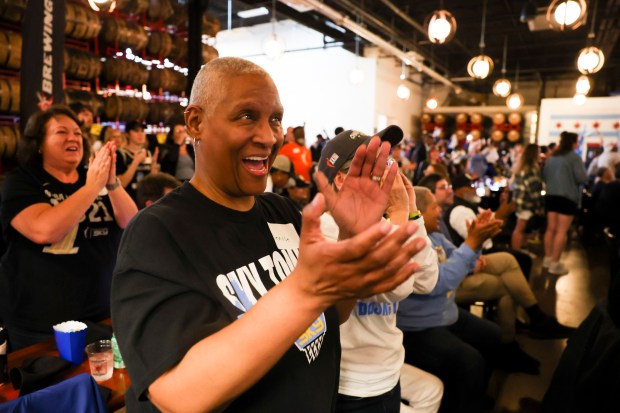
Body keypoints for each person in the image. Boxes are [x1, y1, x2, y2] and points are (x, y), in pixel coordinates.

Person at [111, 57, 427, 412]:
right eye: (247, 116)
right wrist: (303, 290)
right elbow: (179, 395)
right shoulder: (157, 232)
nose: (268, 136)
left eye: (275, 119)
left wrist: (350, 234)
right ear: (196, 122)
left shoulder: (281, 211)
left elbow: (333, 315)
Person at [317, 127, 443, 413]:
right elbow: (396, 287)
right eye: (374, 166)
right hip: (350, 382)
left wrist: (411, 214)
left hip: (387, 369)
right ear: (340, 178)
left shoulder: (386, 224)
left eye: (387, 162)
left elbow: (426, 280)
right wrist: (400, 217)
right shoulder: (323, 231)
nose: (388, 173)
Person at [0, 105, 137, 351]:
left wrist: (112, 183)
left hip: (101, 312)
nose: (73, 137)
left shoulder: (92, 177)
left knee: (104, 385)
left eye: (76, 132)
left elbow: (131, 223)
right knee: (50, 388)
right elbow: (44, 230)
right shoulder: (21, 181)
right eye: (61, 132)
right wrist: (92, 187)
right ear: (39, 143)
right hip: (39, 322)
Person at [397, 187, 504, 413]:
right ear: (418, 212)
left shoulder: (436, 236)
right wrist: (472, 244)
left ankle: (472, 399)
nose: (440, 211)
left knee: (494, 336)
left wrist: (476, 240)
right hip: (418, 328)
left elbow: (460, 260)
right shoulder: (408, 243)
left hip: (446, 314)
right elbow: (438, 283)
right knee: (471, 362)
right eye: (435, 207)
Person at [542, 131, 587, 275]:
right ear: (573, 143)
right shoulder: (574, 157)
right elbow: (582, 178)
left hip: (551, 196)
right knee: (561, 231)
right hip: (567, 197)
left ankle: (547, 259)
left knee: (550, 229)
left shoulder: (552, 157)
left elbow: (544, 176)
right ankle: (555, 264)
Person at [510, 144, 544, 251]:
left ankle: (521, 250)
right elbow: (534, 191)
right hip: (527, 203)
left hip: (520, 202)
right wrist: (540, 207)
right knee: (520, 229)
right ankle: (517, 253)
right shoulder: (531, 170)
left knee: (522, 229)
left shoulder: (521, 167)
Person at [116, 121, 160, 201]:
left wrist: (154, 168)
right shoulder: (120, 154)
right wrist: (136, 161)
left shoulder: (149, 153)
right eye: (136, 131)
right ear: (127, 134)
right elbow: (122, 183)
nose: (140, 134)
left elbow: (153, 183)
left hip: (146, 200)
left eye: (142, 131)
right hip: (128, 199)